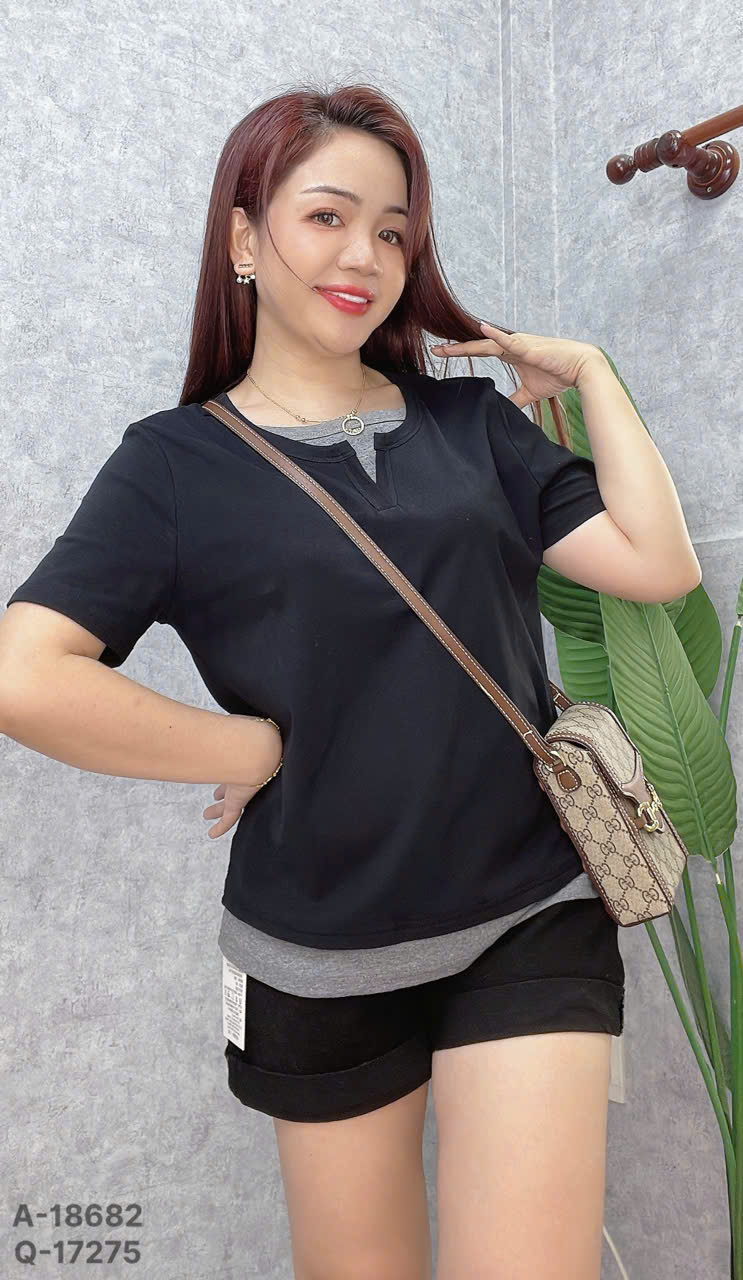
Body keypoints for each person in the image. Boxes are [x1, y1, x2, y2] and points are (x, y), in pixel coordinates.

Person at [0, 82, 699, 1280]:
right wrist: (250, 748)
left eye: (391, 230)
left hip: (528, 912)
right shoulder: (173, 464)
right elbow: (26, 675)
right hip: (315, 949)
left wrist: (590, 372)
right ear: (242, 237)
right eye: (327, 216)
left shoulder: (471, 425)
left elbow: (655, 563)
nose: (364, 256)